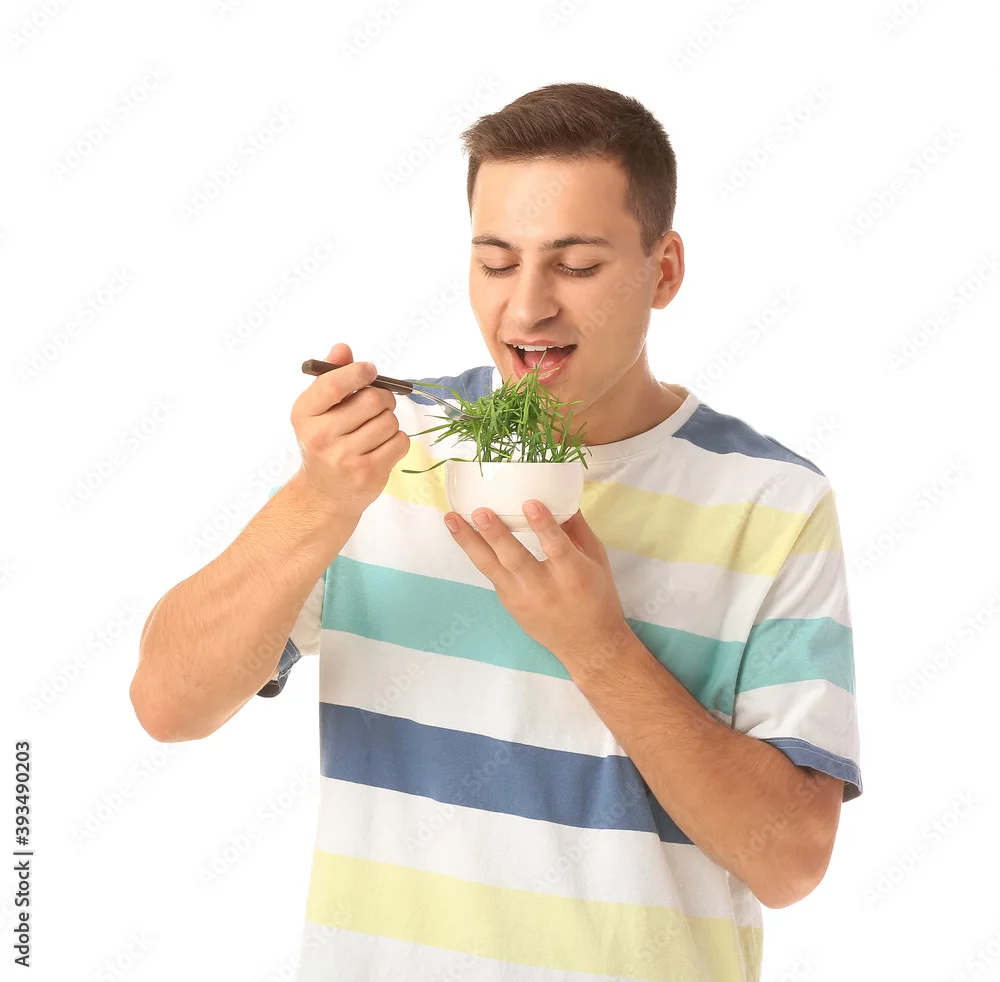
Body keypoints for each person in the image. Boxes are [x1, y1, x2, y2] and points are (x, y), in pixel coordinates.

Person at [131, 82, 862, 982]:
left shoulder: (774, 502)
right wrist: (315, 503)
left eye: (576, 266)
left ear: (664, 270)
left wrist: (598, 648)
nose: (526, 309)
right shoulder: (387, 454)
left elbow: (790, 863)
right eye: (496, 261)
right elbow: (167, 704)